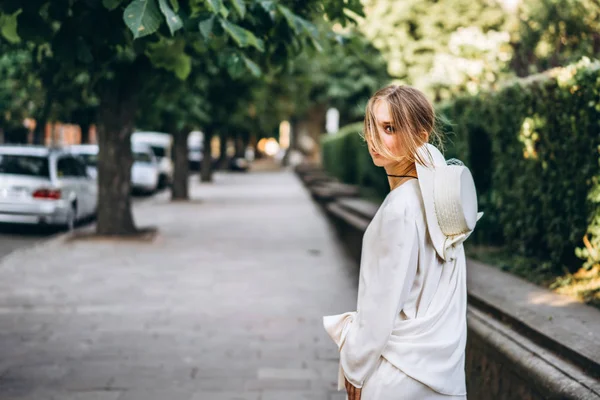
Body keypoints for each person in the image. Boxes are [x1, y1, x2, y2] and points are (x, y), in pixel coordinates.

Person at [323, 85, 482, 400]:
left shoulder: (401, 209)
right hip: (441, 376)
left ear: (420, 135)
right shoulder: (441, 198)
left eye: (390, 128)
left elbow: (381, 305)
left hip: (397, 376)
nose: (375, 138)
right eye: (372, 126)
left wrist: (354, 367)